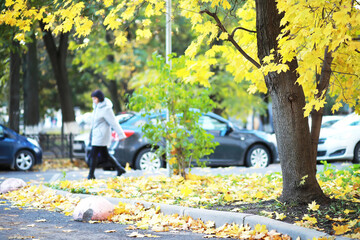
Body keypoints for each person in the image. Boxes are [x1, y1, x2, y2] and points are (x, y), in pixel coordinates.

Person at [88, 89, 126, 179]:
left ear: (99, 98)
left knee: (93, 154)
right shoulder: (96, 108)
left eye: (94, 99)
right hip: (97, 135)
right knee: (105, 155)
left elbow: (114, 122)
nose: (93, 101)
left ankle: (91, 175)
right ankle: (119, 168)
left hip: (101, 136)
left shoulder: (106, 109)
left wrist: (121, 134)